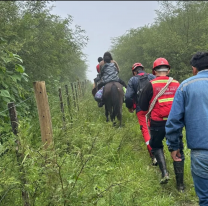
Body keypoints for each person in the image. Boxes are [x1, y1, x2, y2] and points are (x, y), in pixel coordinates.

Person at [166, 52, 208, 204]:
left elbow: (174, 121)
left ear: (194, 69)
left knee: (205, 198)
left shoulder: (186, 86)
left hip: (202, 153)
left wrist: (174, 146)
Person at [138, 57, 180, 184]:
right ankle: (180, 184)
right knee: (177, 148)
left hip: (157, 123)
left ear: (154, 71)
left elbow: (143, 106)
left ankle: (165, 173)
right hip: (174, 123)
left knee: (156, 145)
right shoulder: (177, 84)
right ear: (168, 70)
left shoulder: (151, 85)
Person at [125, 63, 157, 165]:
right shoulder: (152, 77)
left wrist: (130, 106)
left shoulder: (133, 80)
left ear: (134, 72)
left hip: (141, 109)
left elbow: (128, 96)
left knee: (145, 130)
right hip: (153, 107)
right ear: (143, 69)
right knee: (154, 127)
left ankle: (153, 154)